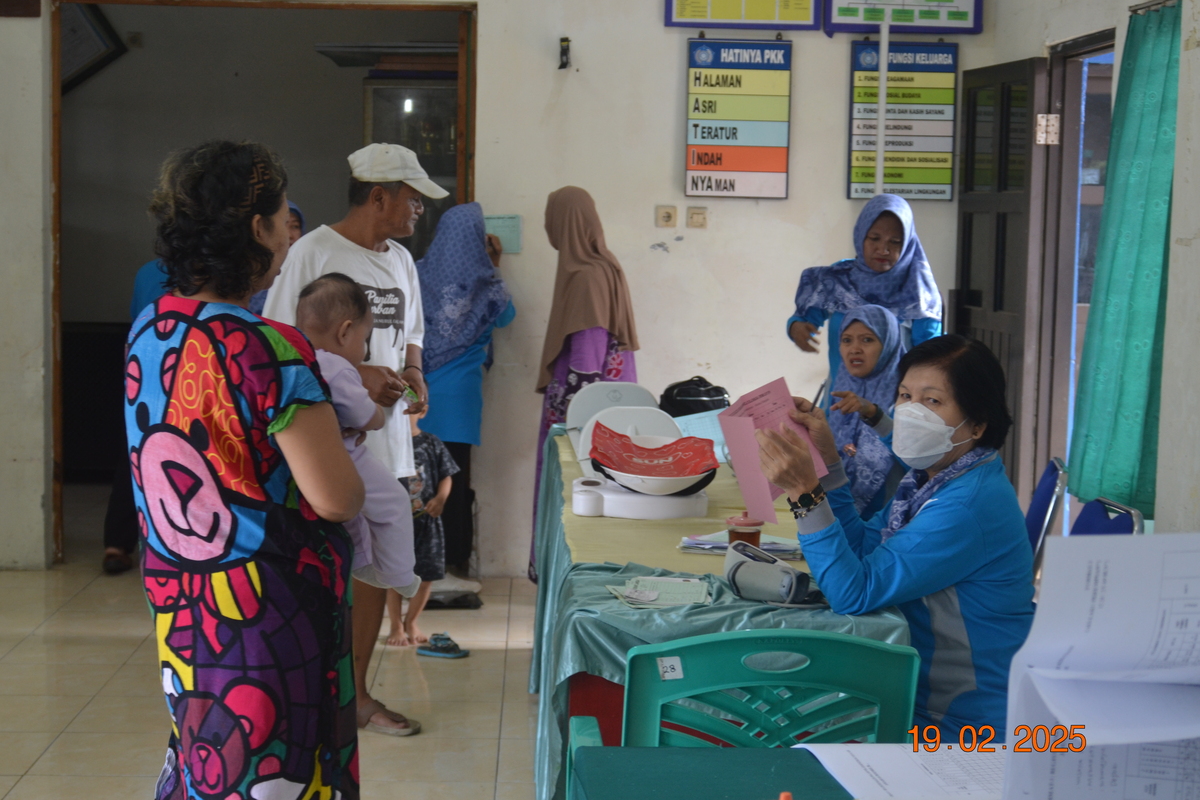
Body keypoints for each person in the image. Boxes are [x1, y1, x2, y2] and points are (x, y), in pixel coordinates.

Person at [126, 140, 364, 799]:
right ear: (257, 229)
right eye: (284, 217)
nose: (290, 232)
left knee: (206, 747)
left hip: (183, 600)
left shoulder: (153, 328)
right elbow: (336, 497)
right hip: (266, 611)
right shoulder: (272, 349)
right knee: (270, 763)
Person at [756, 334, 1034, 739]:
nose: (908, 412)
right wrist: (827, 462)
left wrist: (804, 493)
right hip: (918, 690)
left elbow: (853, 592)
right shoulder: (931, 481)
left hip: (966, 722)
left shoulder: (965, 504)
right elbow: (864, 549)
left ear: (977, 423)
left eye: (932, 401)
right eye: (905, 396)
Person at [263, 141, 447, 737]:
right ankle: (309, 691)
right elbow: (278, 343)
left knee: (370, 569)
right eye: (412, 200)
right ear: (378, 198)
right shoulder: (313, 252)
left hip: (384, 436)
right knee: (327, 562)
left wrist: (413, 371)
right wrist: (352, 373)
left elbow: (413, 330)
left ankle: (357, 695)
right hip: (328, 440)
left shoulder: (401, 260)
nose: (418, 211)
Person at [295, 273, 422, 622]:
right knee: (393, 503)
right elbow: (366, 417)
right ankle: (399, 575)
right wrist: (378, 416)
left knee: (352, 515)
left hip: (305, 459)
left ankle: (363, 563)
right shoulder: (337, 367)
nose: (364, 350)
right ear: (345, 332)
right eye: (365, 339)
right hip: (343, 453)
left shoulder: (295, 357)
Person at [533, 186, 639, 577]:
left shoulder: (585, 277)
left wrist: (573, 435)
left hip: (582, 425)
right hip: (606, 417)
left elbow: (587, 366)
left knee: (571, 508)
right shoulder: (603, 268)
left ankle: (565, 583)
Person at [416, 202, 514, 574]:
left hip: (418, 393)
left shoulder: (416, 273)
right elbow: (506, 317)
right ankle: (453, 560)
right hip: (460, 401)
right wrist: (494, 266)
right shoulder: (486, 282)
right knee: (453, 482)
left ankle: (417, 561)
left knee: (417, 479)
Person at [787, 194, 942, 392]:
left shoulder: (918, 292)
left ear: (908, 245)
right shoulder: (840, 279)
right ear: (861, 235)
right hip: (840, 399)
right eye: (874, 238)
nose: (883, 249)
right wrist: (796, 327)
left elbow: (930, 358)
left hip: (895, 402)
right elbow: (805, 318)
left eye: (895, 242)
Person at [384, 409, 466, 657]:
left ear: (422, 410)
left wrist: (441, 498)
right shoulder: (386, 443)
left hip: (427, 523)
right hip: (395, 525)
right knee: (395, 577)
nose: (402, 413)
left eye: (408, 408)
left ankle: (412, 621)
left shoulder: (432, 443)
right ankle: (396, 625)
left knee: (426, 577)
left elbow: (446, 476)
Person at [826, 305, 906, 519]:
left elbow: (916, 457)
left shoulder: (908, 393)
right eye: (847, 340)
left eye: (867, 340)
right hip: (838, 509)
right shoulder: (838, 385)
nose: (854, 349)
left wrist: (873, 414)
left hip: (888, 517)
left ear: (888, 343)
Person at [249, 201, 305, 314]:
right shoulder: (252, 274)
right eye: (284, 224)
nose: (289, 235)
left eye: (295, 226)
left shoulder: (307, 270)